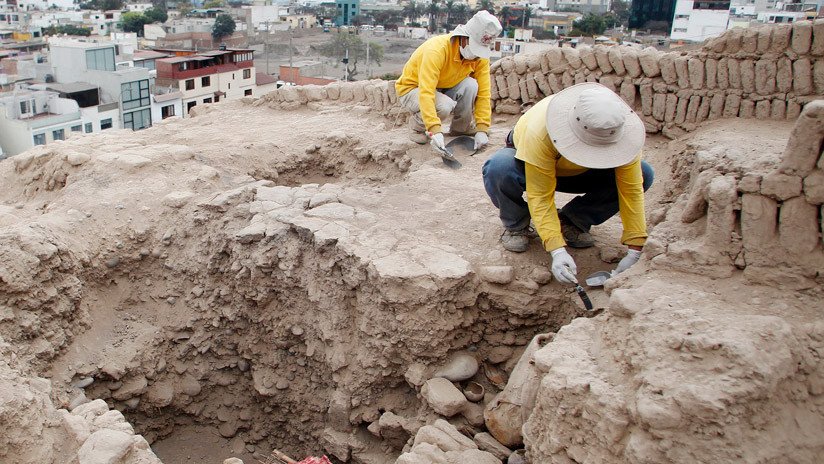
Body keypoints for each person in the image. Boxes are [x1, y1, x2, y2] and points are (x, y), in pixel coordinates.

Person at [482, 82, 654, 284]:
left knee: (644, 173)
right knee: (499, 168)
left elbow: (631, 190)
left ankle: (573, 220)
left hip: (585, 172)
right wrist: (557, 250)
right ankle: (517, 224)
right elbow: (540, 195)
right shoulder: (541, 130)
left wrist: (635, 250)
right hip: (532, 166)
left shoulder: (620, 132)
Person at [395, 10, 502, 152]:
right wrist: (435, 130)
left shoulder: (479, 58)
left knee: (471, 85)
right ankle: (417, 127)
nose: (476, 55)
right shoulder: (437, 51)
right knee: (444, 106)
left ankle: (461, 128)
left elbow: (484, 93)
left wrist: (482, 128)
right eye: (474, 47)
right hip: (413, 89)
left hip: (443, 87)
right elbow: (426, 92)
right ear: (463, 38)